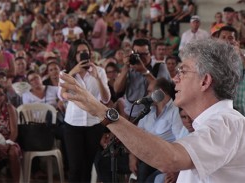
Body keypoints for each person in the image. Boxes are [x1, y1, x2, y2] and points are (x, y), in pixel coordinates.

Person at [59, 38, 245, 182]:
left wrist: (100, 110)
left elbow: (169, 158)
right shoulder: (213, 122)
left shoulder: (226, 123)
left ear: (205, 81)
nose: (175, 79)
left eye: (183, 71)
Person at [58, 39, 110, 182]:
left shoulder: (99, 71)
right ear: (74, 55)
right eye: (79, 52)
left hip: (93, 124)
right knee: (75, 167)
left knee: (87, 167)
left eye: (85, 51)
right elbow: (61, 96)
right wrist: (72, 73)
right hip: (72, 125)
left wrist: (98, 78)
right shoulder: (66, 73)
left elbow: (106, 99)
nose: (83, 54)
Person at [129, 78, 183, 182]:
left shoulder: (175, 110)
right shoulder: (148, 110)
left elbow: (180, 140)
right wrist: (132, 156)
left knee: (145, 172)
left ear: (160, 92)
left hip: (163, 158)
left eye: (149, 91)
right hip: (143, 154)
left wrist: (176, 169)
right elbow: (137, 135)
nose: (147, 95)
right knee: (103, 161)